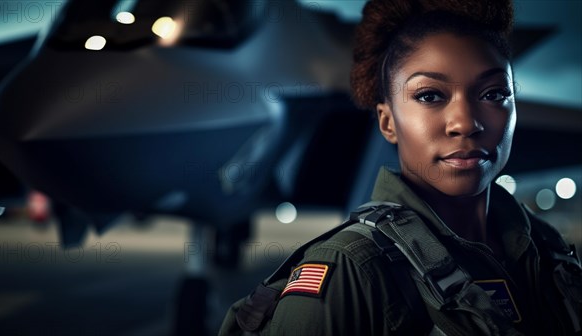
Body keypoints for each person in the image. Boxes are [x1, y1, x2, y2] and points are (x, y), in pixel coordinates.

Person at [219, 0, 582, 335]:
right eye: (430, 96)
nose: (465, 122)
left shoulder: (547, 248)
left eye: (493, 94)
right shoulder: (352, 271)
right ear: (388, 122)